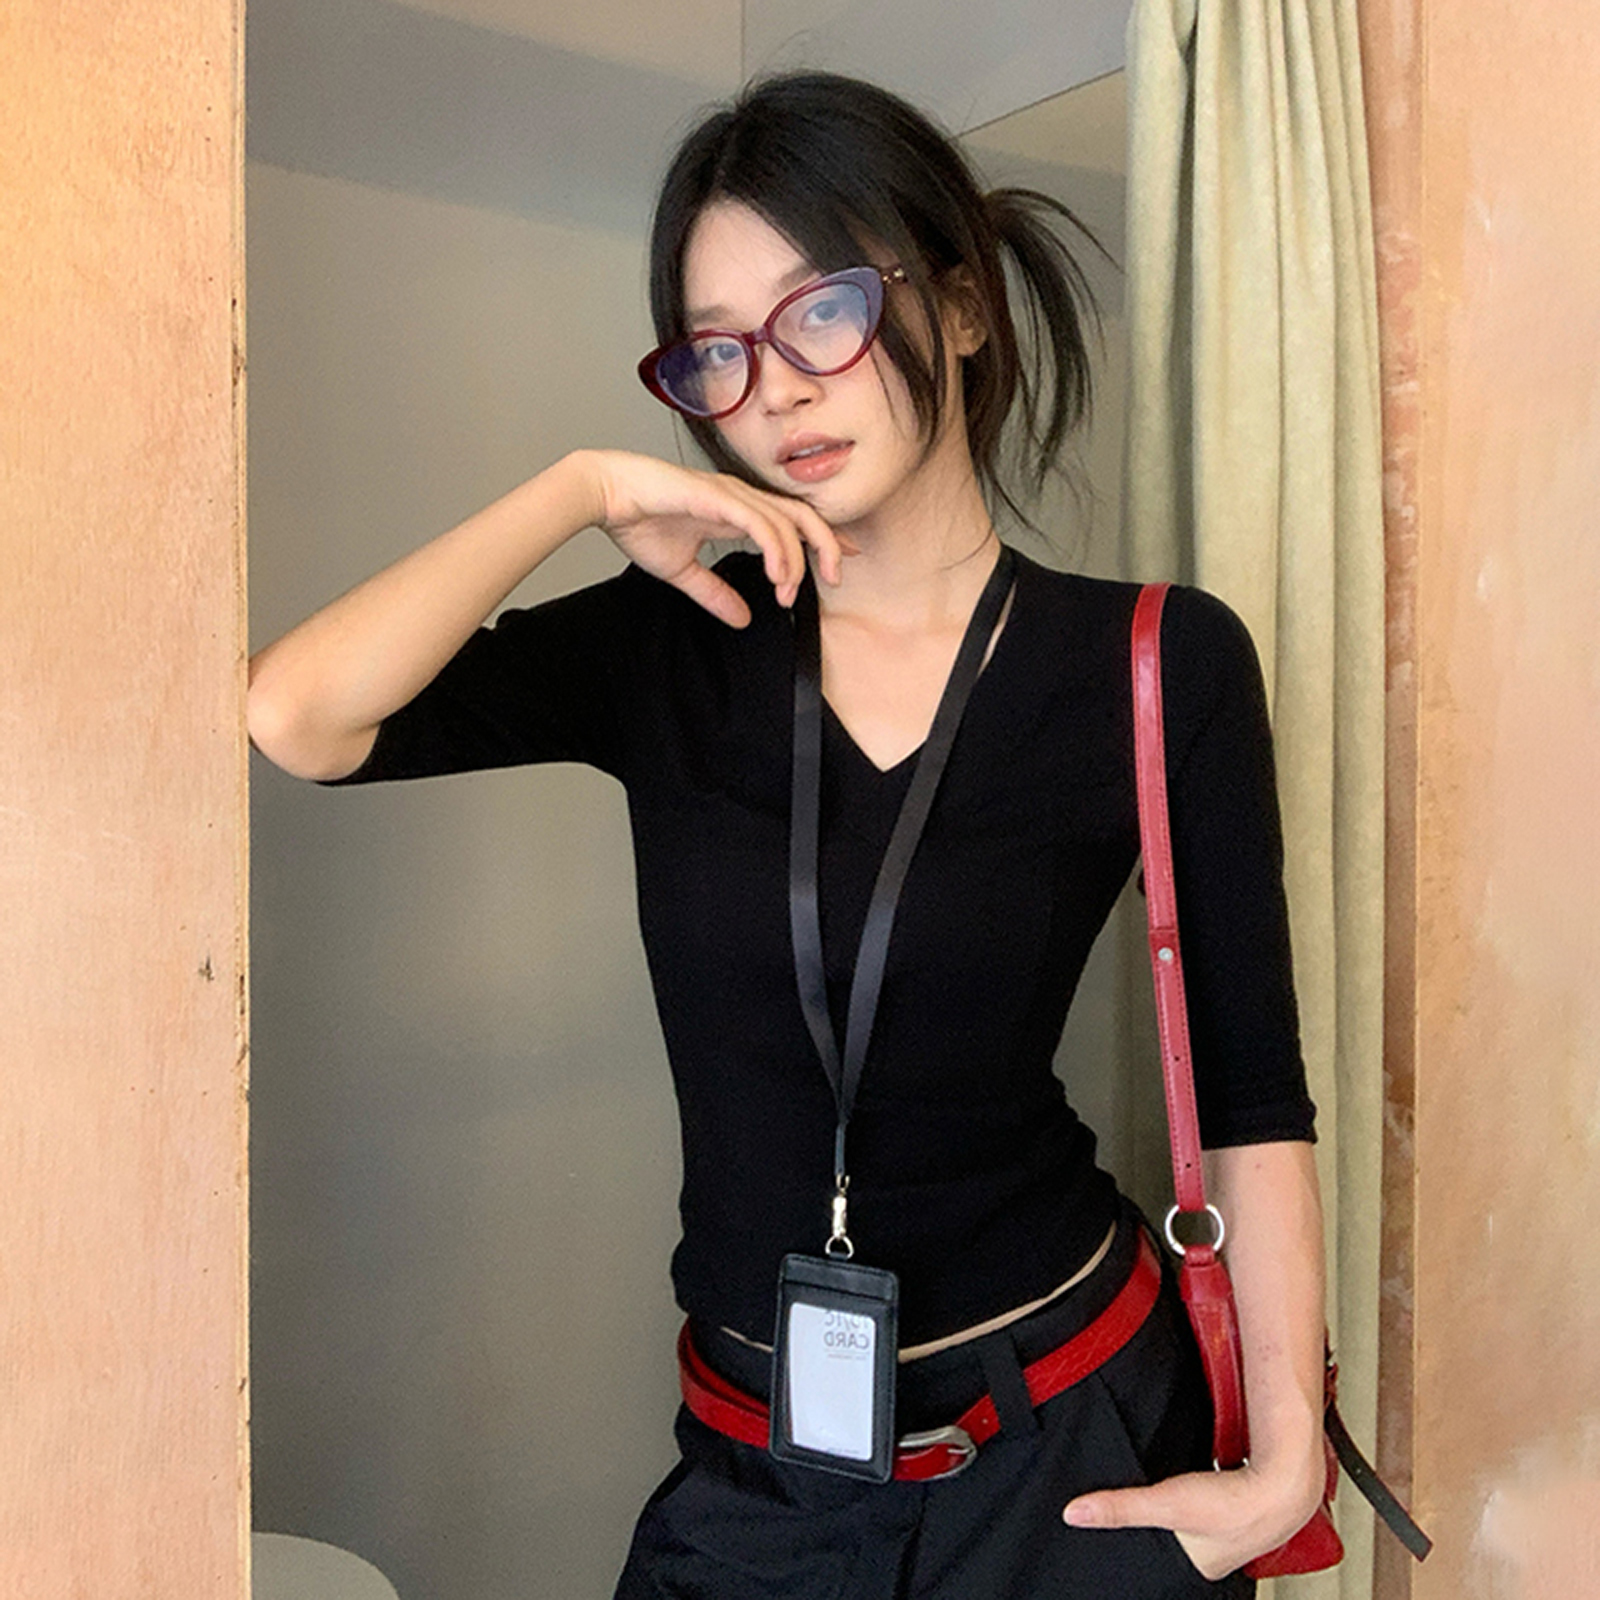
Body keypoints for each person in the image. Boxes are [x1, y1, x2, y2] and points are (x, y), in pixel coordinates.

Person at [248, 71, 1328, 1600]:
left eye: (822, 311)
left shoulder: (1155, 662)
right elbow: (298, 714)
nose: (778, 392)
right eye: (720, 351)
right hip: (757, 1471)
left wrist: (1285, 1463)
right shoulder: (676, 640)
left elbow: (1249, 1094)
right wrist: (575, 491)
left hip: (1066, 1447)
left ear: (960, 305)